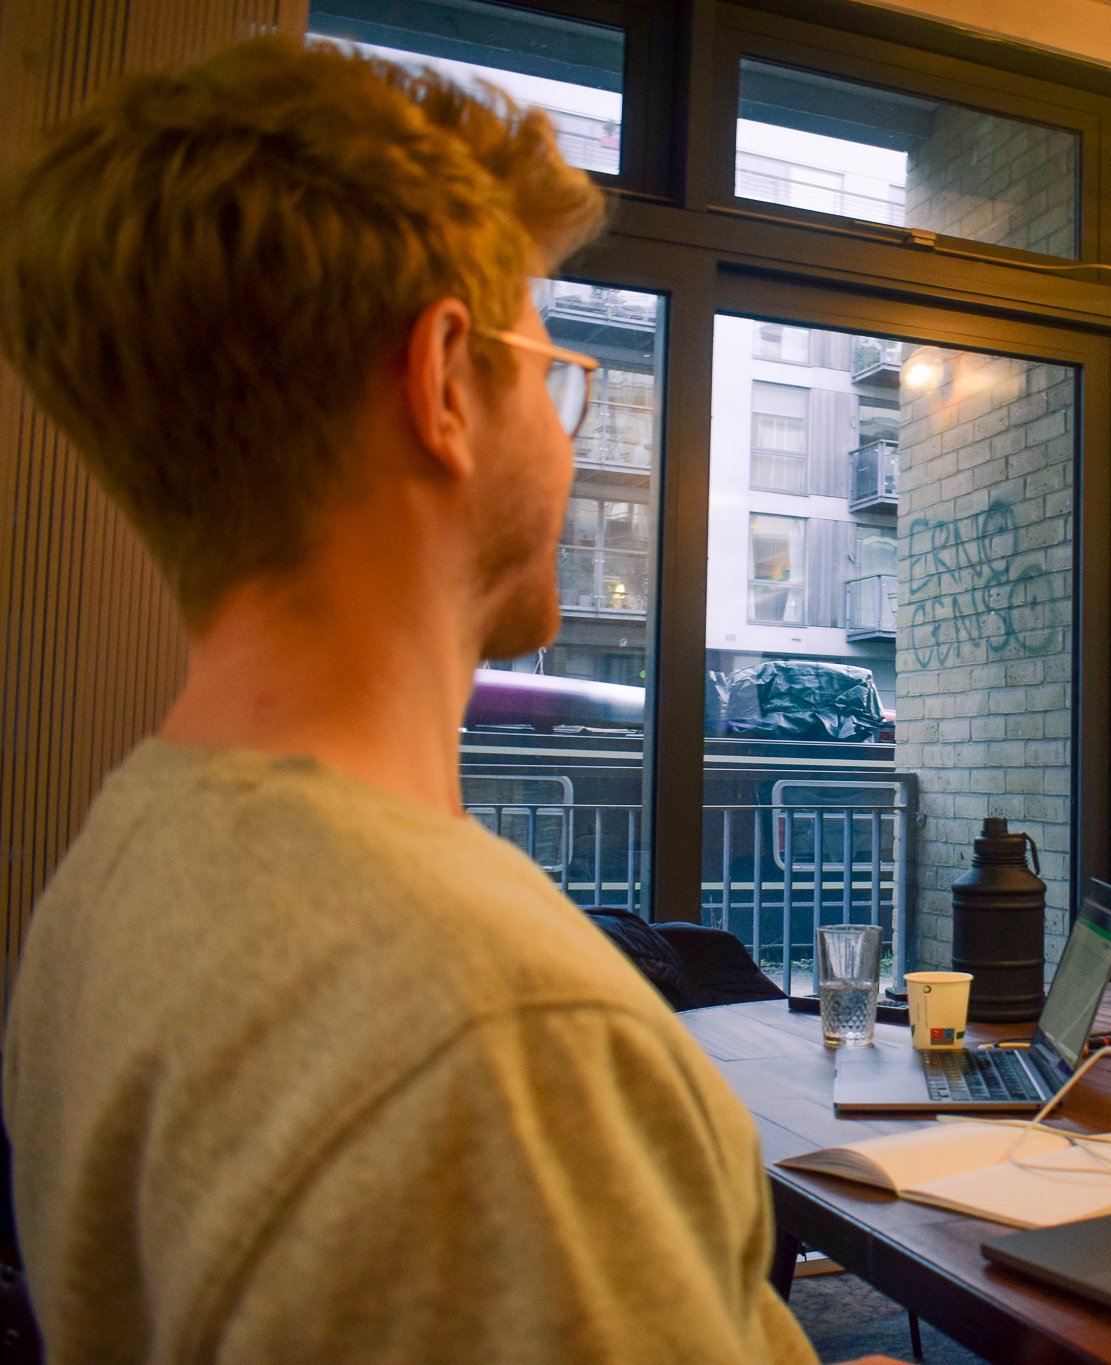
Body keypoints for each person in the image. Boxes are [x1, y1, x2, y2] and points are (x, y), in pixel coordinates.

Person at [0, 39, 819, 1364]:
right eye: (556, 377)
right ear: (445, 381)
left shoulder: (117, 871)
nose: (563, 438)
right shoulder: (494, 1036)